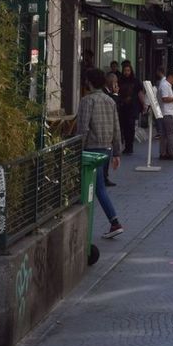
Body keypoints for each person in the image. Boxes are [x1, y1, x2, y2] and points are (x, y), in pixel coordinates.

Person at [76, 69, 124, 239]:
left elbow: (82, 128)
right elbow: (116, 128)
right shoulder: (109, 101)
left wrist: (76, 149)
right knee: (98, 186)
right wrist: (117, 152)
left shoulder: (87, 101)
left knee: (94, 188)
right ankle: (112, 222)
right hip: (106, 149)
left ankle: (114, 222)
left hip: (90, 150)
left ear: (88, 82)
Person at [117, 61, 142, 156]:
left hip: (132, 107)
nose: (127, 72)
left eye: (128, 70)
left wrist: (144, 105)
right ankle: (125, 145)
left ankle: (129, 146)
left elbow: (140, 93)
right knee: (123, 126)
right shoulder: (120, 81)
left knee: (131, 127)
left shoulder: (135, 81)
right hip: (123, 107)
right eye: (125, 70)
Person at [157, 69, 173, 159]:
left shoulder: (165, 84)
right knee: (170, 133)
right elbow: (165, 98)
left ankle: (163, 152)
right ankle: (171, 152)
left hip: (164, 112)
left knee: (164, 134)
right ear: (170, 77)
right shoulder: (165, 85)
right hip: (167, 112)